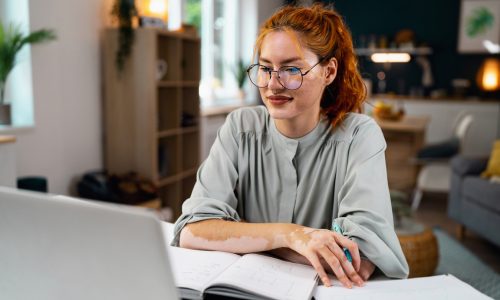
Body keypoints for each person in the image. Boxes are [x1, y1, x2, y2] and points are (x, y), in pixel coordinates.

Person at [172, 4, 409, 288]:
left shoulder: (359, 136)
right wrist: (292, 236)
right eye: (265, 68)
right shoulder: (240, 127)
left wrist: (241, 236)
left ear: (328, 72)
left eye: (291, 69)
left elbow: (356, 259)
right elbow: (192, 231)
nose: (273, 85)